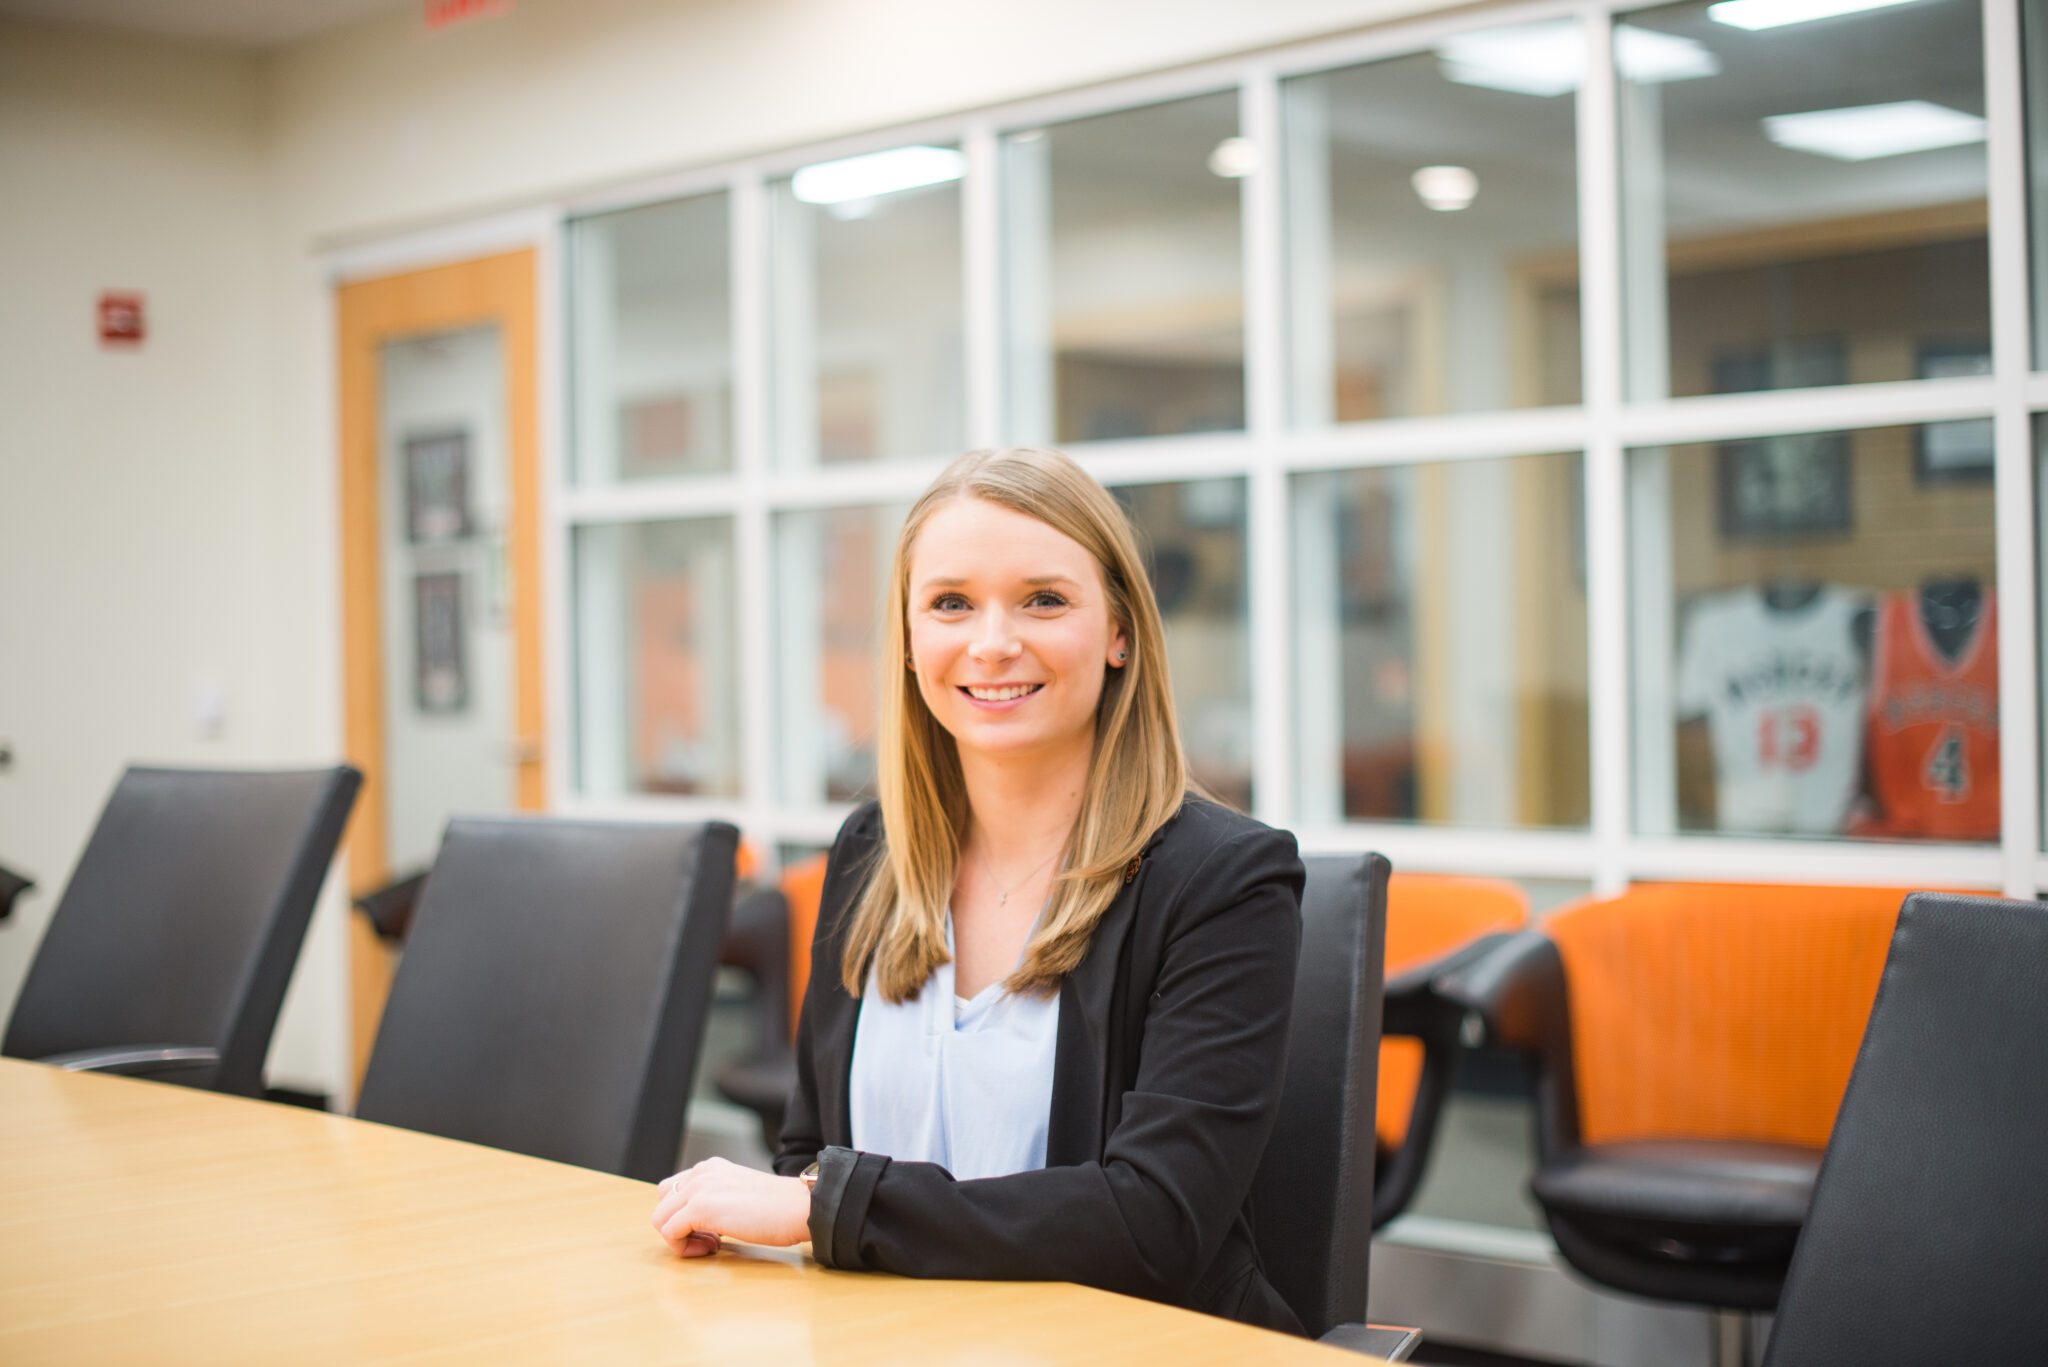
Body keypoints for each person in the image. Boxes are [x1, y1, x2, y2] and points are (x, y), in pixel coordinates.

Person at [649, 447, 1307, 1332]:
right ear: (913, 639)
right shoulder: (870, 853)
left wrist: (828, 1211)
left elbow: (1155, 1224)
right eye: (951, 603)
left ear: (1120, 631)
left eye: (1044, 598)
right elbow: (812, 1149)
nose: (993, 642)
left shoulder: (1224, 881)